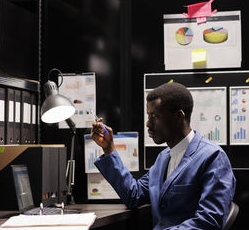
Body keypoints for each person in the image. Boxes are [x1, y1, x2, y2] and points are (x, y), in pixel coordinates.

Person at [92, 82, 236, 230]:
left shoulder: (213, 157)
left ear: (178, 117)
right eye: (148, 116)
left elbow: (209, 221)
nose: (148, 123)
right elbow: (134, 195)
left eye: (154, 116)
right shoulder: (164, 157)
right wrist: (109, 149)